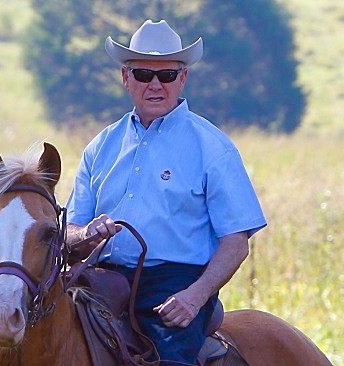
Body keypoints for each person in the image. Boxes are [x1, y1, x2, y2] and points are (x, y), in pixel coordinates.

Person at [65, 19, 267, 366]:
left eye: (167, 75)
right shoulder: (101, 146)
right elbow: (68, 231)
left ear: (183, 78)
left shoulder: (213, 148)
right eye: (144, 75)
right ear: (126, 78)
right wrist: (86, 233)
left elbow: (236, 241)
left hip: (175, 283)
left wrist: (195, 296)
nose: (155, 85)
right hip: (101, 279)